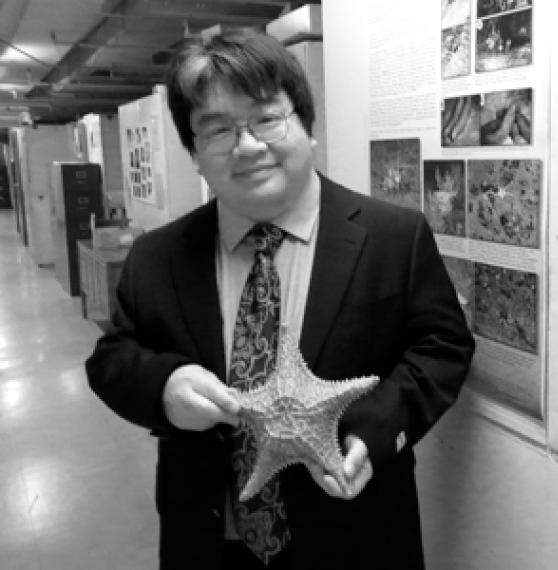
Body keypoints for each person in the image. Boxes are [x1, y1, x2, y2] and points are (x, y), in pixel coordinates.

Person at [85, 30, 475, 570]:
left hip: (356, 537)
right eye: (216, 129)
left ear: (305, 124)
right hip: (208, 543)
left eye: (267, 118)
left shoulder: (393, 237)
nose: (246, 146)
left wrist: (377, 430)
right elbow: (110, 360)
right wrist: (166, 389)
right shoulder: (158, 256)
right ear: (194, 151)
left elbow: (443, 347)